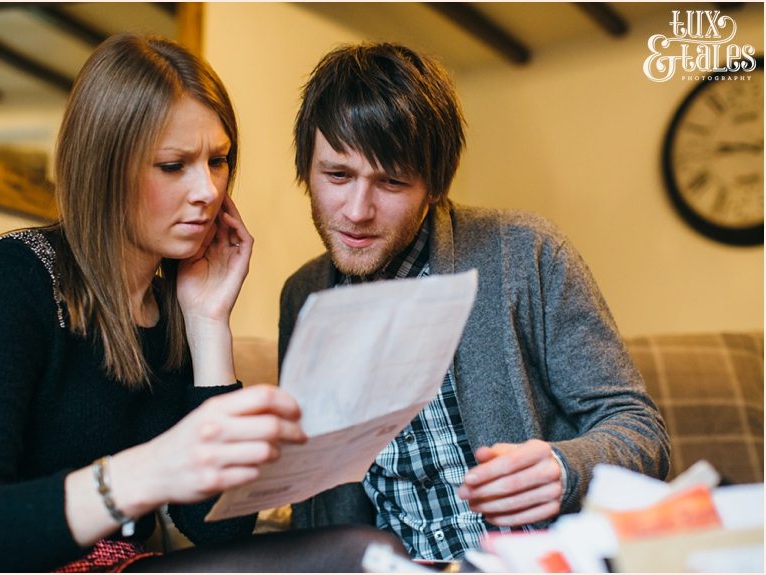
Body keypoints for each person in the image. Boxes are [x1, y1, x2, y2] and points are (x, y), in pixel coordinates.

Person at [0, 34, 403, 573]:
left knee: (369, 554)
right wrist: (147, 471)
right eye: (173, 166)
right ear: (105, 168)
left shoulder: (171, 305)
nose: (208, 191)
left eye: (218, 161)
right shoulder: (8, 284)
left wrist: (208, 323)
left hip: (120, 564)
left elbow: (220, 528)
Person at [279, 42, 671, 561]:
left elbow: (641, 432)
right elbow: (316, 501)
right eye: (337, 175)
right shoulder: (303, 295)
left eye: (392, 181)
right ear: (307, 168)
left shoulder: (525, 251)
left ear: (434, 187)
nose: (356, 211)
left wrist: (563, 466)